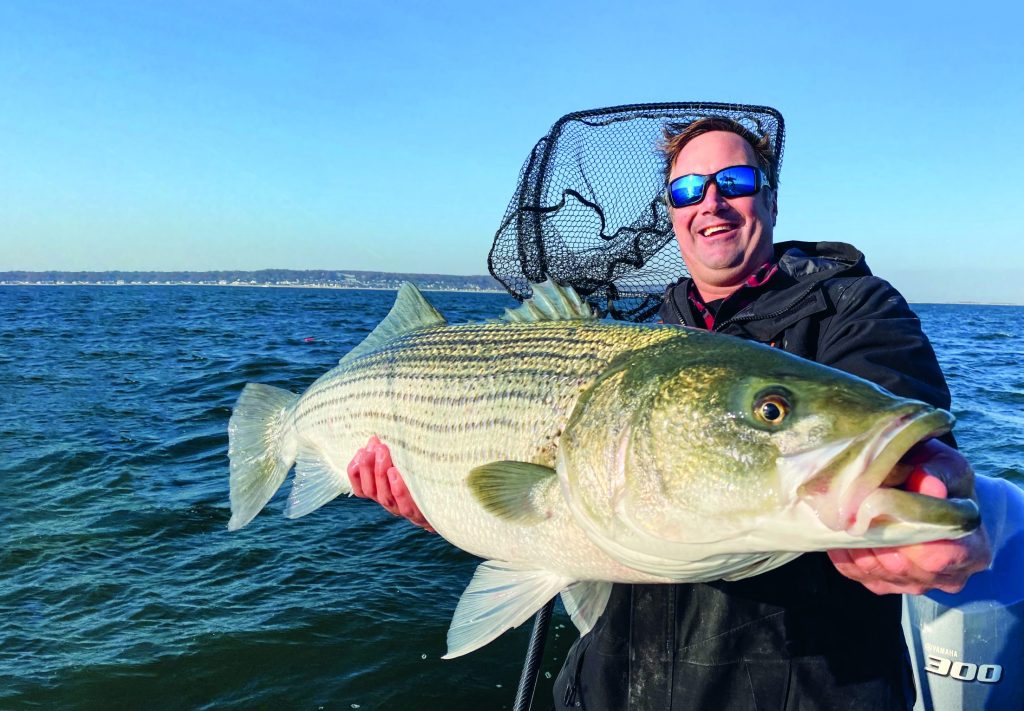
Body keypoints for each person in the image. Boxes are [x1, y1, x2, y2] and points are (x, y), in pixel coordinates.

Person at [345, 113, 992, 710]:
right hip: (609, 688)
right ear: (672, 214)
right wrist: (444, 503)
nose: (711, 202)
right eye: (688, 190)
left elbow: (911, 444)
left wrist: (927, 506)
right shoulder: (646, 334)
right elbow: (504, 497)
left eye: (735, 181)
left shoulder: (855, 310)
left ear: (769, 196)